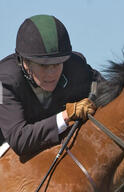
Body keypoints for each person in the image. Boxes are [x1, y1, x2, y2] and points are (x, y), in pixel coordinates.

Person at [0, 14, 103, 160]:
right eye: (44, 65)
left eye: (57, 64)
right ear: (25, 62)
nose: (52, 73)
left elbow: (109, 91)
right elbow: (19, 139)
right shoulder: (4, 82)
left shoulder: (75, 66)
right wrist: (67, 115)